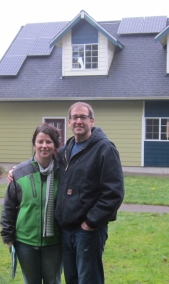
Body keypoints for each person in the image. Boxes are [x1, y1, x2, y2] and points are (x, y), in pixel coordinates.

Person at [57, 102, 124, 284]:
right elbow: (41, 161)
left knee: (88, 280)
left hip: (88, 232)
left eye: (83, 117)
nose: (78, 121)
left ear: (92, 121)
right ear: (69, 122)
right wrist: (16, 171)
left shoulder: (104, 149)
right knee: (71, 279)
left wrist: (90, 223)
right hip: (66, 231)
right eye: (74, 117)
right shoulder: (64, 152)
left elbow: (114, 193)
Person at [1, 123, 63, 284]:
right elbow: (9, 206)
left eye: (48, 142)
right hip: (25, 243)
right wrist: (7, 236)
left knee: (53, 281)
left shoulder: (63, 172)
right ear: (34, 144)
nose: (44, 146)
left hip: (55, 243)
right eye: (40, 141)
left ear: (55, 145)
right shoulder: (20, 172)